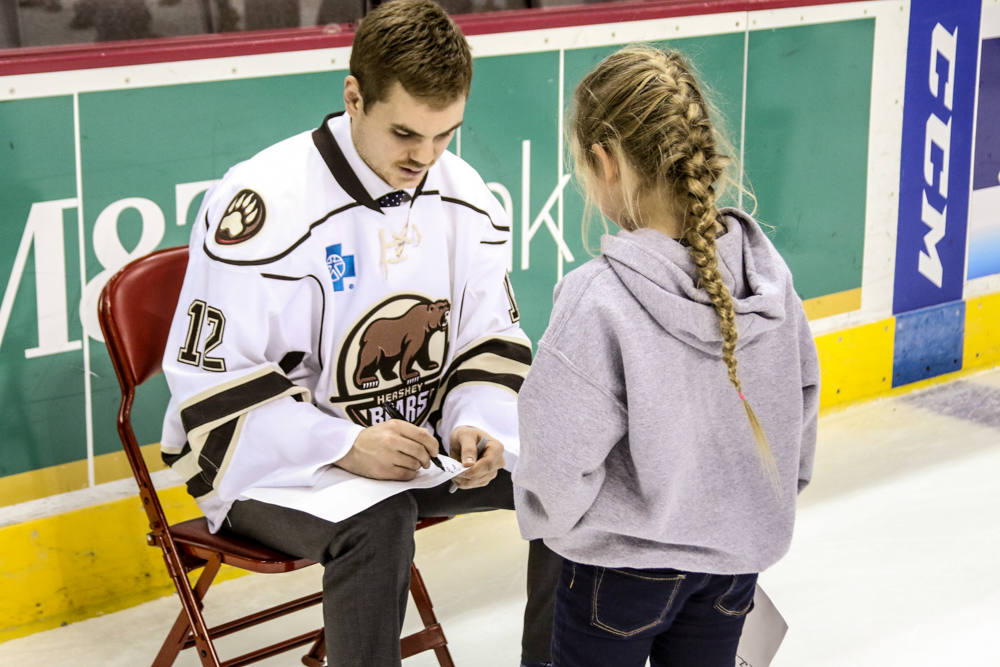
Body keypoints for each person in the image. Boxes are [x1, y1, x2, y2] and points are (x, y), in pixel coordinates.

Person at [158, 2, 559, 665]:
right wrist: (343, 443)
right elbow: (210, 386)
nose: (424, 158)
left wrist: (475, 422)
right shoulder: (260, 204)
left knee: (566, 470)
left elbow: (488, 337)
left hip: (416, 447)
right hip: (279, 467)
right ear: (354, 96)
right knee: (378, 522)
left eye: (444, 135)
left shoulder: (467, 197)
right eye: (405, 133)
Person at [512, 45, 820, 667]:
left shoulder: (596, 297)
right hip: (733, 574)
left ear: (606, 162)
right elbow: (797, 442)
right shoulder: (771, 283)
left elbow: (553, 475)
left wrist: (559, 522)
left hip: (616, 580)